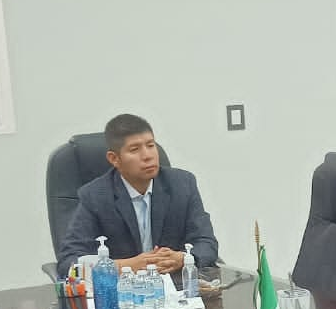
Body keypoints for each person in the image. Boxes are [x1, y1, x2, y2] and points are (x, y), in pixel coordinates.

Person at [56, 112, 219, 276]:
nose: (147, 156)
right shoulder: (95, 196)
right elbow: (69, 262)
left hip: (175, 290)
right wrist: (126, 266)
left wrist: (182, 258)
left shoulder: (182, 184)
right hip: (122, 292)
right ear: (114, 159)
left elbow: (206, 243)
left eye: (150, 145)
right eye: (135, 149)